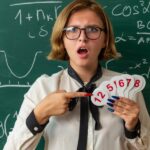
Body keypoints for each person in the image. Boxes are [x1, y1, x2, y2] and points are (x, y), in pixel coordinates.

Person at [3, 0, 150, 150]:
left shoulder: (127, 87)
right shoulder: (43, 88)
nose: (82, 37)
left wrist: (133, 129)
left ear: (105, 39)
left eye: (92, 29)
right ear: (62, 38)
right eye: (72, 29)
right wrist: (39, 115)